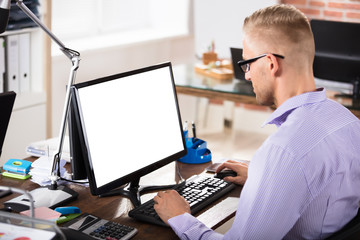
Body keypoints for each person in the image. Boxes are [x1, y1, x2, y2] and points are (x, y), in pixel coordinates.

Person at [153, 4, 360, 239]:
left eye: (247, 63)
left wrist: (180, 217)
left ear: (271, 63)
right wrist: (268, 180)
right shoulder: (347, 121)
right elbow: (323, 189)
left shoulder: (283, 150)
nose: (247, 74)